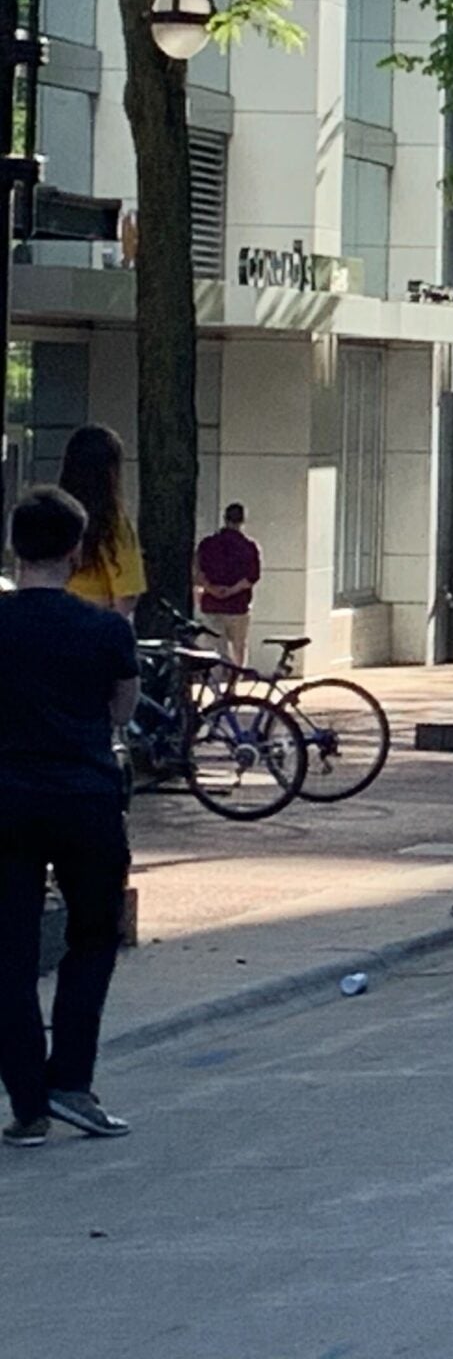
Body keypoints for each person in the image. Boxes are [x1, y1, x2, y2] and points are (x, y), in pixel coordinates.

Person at [0, 486, 140, 1145]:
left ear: (13, 548)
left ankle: (27, 1102)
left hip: (6, 800)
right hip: (85, 797)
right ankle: (70, 1080)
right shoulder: (107, 629)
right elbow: (121, 710)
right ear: (77, 552)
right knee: (92, 937)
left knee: (10, 953)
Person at [59, 426, 143, 618]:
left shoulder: (49, 517)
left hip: (48, 624)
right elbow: (127, 594)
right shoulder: (112, 524)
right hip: (91, 623)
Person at [192, 502, 262, 665]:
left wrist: (212, 589)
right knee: (239, 647)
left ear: (224, 518)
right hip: (238, 606)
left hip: (211, 604)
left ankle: (218, 685)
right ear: (242, 521)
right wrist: (231, 591)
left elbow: (197, 572)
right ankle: (233, 682)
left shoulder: (207, 544)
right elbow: (251, 577)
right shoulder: (249, 547)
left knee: (216, 649)